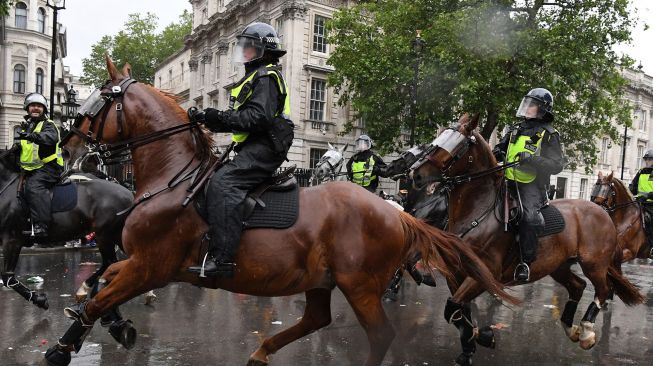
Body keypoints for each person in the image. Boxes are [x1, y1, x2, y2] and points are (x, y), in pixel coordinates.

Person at [187, 22, 294, 278]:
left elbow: (257, 118)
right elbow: (243, 118)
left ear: (263, 51)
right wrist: (206, 116)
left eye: (249, 47)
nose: (244, 51)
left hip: (266, 145)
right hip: (254, 144)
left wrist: (214, 117)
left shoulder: (267, 76)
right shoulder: (254, 76)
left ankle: (223, 260)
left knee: (224, 184)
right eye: (243, 47)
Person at [493, 88, 565, 282]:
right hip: (507, 180)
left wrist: (533, 160)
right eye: (526, 103)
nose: (527, 107)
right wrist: (495, 153)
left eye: (531, 104)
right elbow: (501, 149)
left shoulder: (549, 134)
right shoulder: (516, 128)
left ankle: (525, 262)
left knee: (528, 217)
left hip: (531, 186)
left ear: (542, 109)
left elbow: (558, 165)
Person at [15, 93, 64, 239]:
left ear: (44, 109)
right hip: (30, 169)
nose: (36, 108)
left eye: (39, 106)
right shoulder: (27, 126)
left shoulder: (48, 125)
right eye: (33, 105)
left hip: (50, 167)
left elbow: (50, 138)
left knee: (34, 187)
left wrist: (31, 136)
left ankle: (41, 226)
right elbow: (26, 150)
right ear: (27, 108)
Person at [629, 149, 653, 248]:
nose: (647, 161)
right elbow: (633, 185)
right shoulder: (641, 172)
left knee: (651, 221)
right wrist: (630, 190)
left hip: (651, 204)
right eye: (646, 159)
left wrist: (648, 196)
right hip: (639, 202)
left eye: (649, 159)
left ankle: (651, 245)